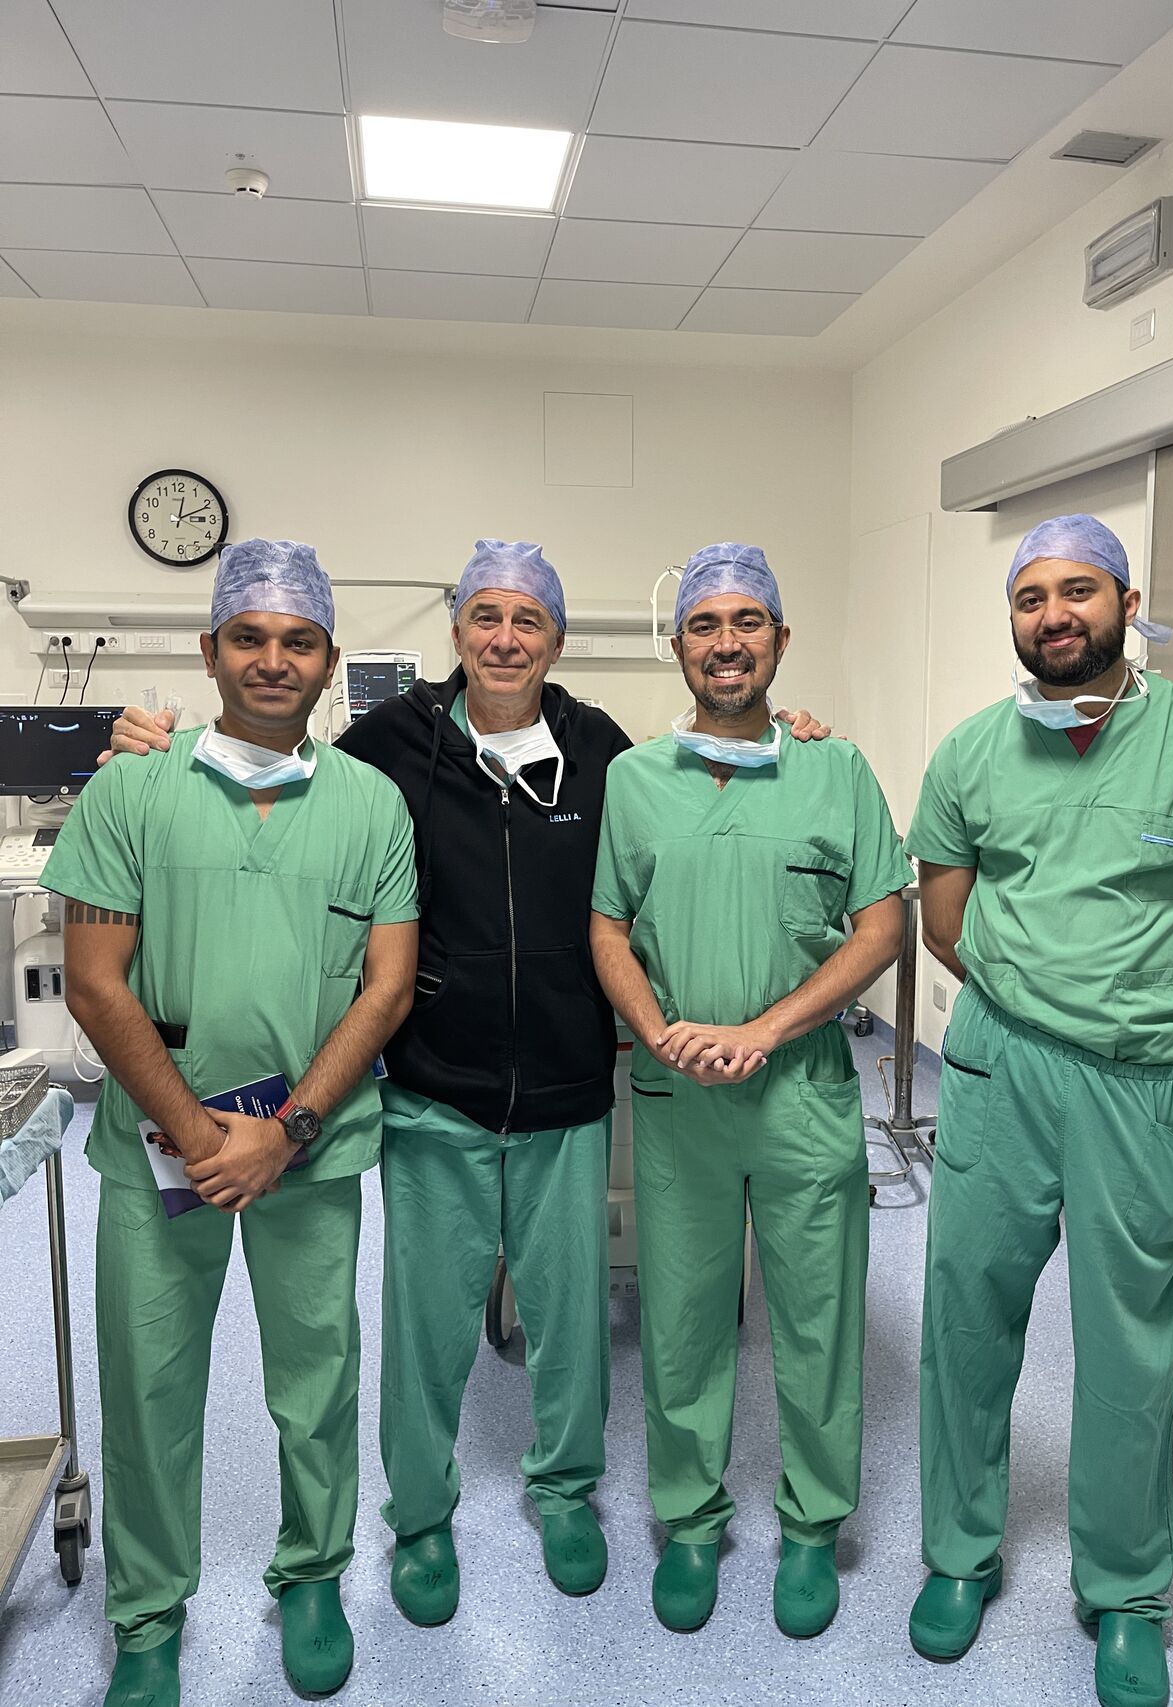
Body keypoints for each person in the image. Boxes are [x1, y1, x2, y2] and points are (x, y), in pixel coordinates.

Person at [105, 539, 833, 1629]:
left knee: (567, 1313)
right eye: (484, 616)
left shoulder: (600, 751)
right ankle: (422, 1513)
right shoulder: (388, 746)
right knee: (426, 1323)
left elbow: (661, 856)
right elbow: (277, 766)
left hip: (566, 1085)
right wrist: (149, 740)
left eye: (526, 620)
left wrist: (794, 738)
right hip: (430, 1087)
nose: (503, 638)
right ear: (456, 633)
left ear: (556, 639)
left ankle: (564, 1487)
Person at [904, 515, 1173, 1707]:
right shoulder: (967, 752)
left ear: (1124, 600)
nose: (1052, 615)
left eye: (1076, 592)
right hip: (998, 1074)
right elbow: (944, 925)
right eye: (1028, 599)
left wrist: (1139, 999)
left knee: (1130, 1350)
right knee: (965, 1324)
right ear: (1010, 620)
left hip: (1140, 1081)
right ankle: (957, 1556)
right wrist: (1041, 1005)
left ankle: (1124, 1592)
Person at [48, 540, 418, 1707]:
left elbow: (387, 988)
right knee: (150, 1381)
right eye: (248, 639)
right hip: (162, 1150)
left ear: (327, 663)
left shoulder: (369, 804)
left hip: (309, 1146)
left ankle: (311, 1574)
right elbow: (97, 982)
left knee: (317, 1375)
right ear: (210, 652)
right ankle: (149, 1617)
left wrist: (288, 1130)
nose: (272, 661)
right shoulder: (130, 791)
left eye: (296, 641)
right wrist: (204, 1139)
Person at [589, 543, 910, 1638]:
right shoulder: (634, 782)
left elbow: (883, 925)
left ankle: (812, 1527)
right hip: (678, 1094)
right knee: (680, 1317)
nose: (725, 643)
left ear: (779, 639)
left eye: (747, 622)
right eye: (704, 625)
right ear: (676, 645)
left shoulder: (837, 771)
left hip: (803, 1087)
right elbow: (605, 925)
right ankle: (689, 1521)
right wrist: (654, 1032)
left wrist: (767, 1030)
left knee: (818, 1320)